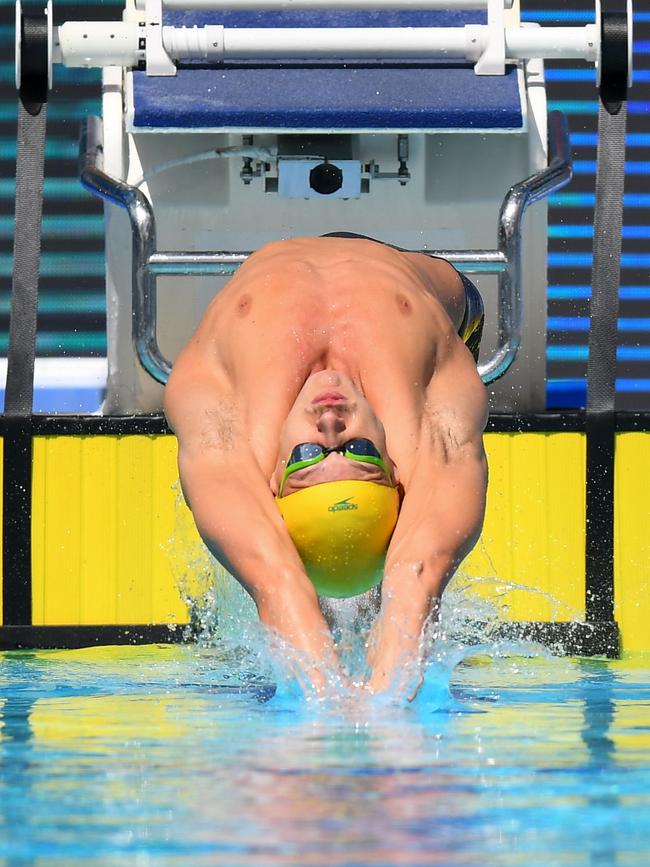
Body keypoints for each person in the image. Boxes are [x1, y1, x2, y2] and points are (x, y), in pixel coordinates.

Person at [164, 234, 488, 696]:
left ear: (273, 479)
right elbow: (417, 577)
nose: (332, 427)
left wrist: (322, 697)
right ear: (396, 469)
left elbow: (276, 579)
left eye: (307, 456)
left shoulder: (221, 421)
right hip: (412, 270)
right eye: (360, 451)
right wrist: (382, 703)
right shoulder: (423, 434)